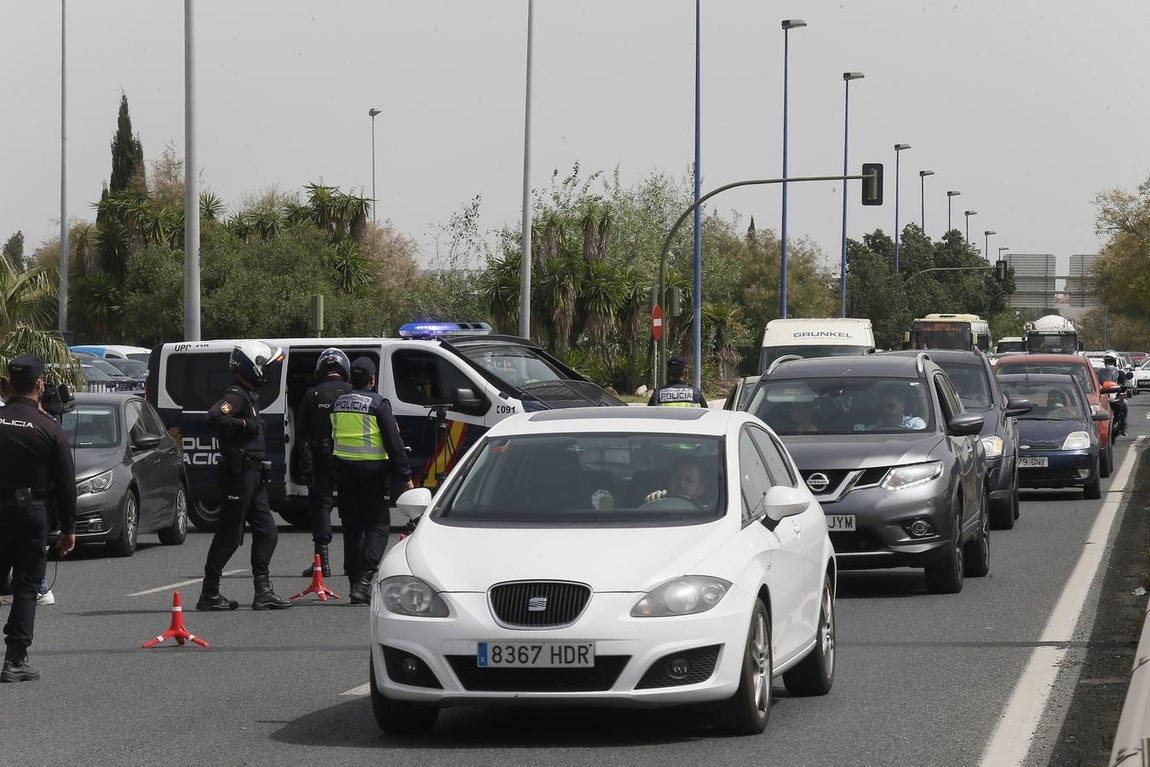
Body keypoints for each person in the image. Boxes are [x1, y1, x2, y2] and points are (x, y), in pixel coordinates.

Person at [196, 341, 292, 612]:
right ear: (252, 367)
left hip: (253, 473)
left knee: (268, 532)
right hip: (238, 474)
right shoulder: (236, 395)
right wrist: (242, 424)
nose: (268, 373)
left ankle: (263, 592)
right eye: (265, 367)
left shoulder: (248, 395)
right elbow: (213, 417)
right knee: (230, 534)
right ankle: (210, 593)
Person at [0, 355, 77, 682]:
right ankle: (15, 661)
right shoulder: (50, 428)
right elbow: (66, 484)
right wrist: (68, 529)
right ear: (40, 385)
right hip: (32, 513)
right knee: (27, 587)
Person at [331, 357, 413, 604]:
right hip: (373, 474)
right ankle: (364, 580)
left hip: (344, 473)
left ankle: (354, 582)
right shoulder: (378, 404)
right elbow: (394, 443)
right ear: (372, 379)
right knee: (378, 527)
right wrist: (406, 477)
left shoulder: (338, 403)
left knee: (352, 529)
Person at [295, 347, 353, 578]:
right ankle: (352, 563)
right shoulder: (353, 392)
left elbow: (301, 436)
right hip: (351, 459)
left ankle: (322, 563)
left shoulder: (312, 395)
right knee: (351, 510)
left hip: (321, 459)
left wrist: (303, 465)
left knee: (321, 508)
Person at [643, 456, 709, 507]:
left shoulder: (711, 516)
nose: (682, 484)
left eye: (689, 480)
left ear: (700, 489)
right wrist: (651, 502)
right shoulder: (657, 502)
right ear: (669, 481)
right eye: (677, 478)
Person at [1098, 354, 1129, 435]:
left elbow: (1123, 384)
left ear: (1115, 362)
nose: (1109, 363)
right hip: (1104, 395)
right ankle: (1097, 427)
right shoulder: (1100, 372)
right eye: (1107, 361)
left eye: (1111, 361)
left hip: (1117, 396)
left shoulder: (1120, 373)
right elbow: (1097, 383)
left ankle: (1123, 426)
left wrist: (1122, 388)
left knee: (1125, 404)